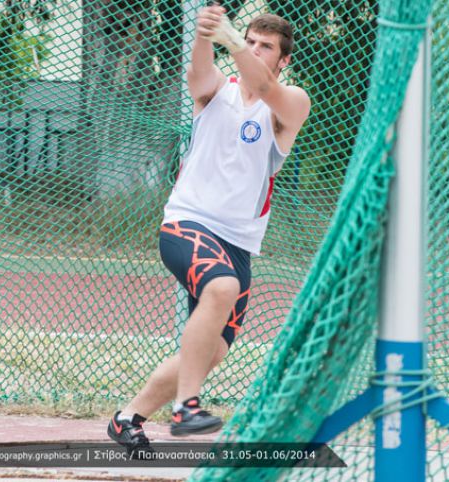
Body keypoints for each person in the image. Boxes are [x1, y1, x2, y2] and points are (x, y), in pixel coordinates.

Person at [107, 4, 310, 457]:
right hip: (188, 222)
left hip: (239, 243)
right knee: (221, 288)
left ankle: (128, 420)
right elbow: (199, 71)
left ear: (284, 61)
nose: (256, 50)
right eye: (251, 42)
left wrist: (232, 38)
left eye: (267, 47)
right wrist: (204, 34)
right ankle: (186, 407)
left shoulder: (290, 102)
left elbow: (263, 85)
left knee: (212, 351)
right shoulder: (217, 90)